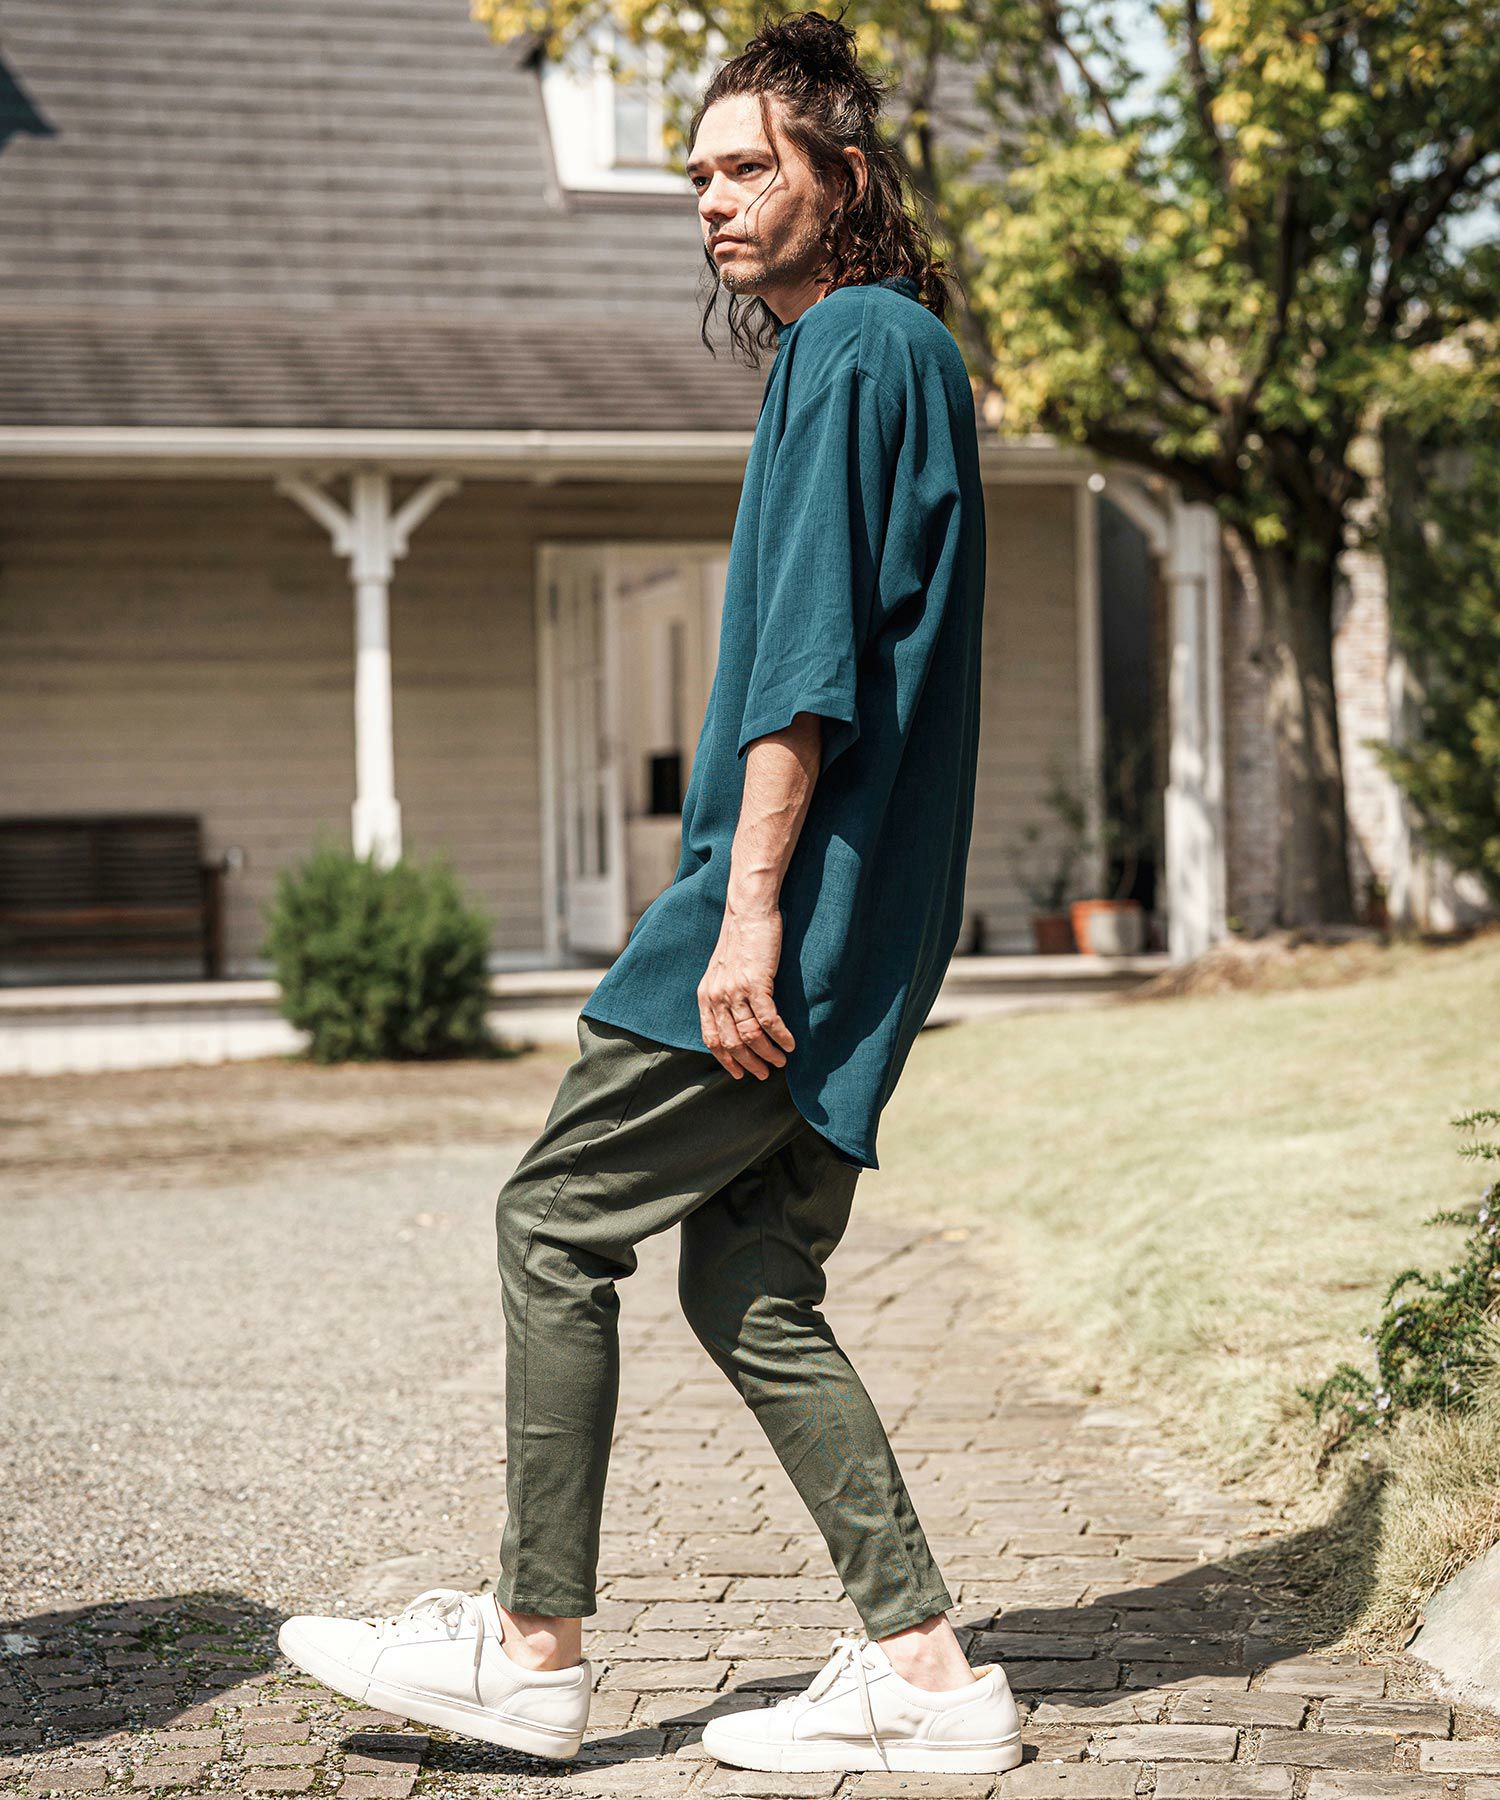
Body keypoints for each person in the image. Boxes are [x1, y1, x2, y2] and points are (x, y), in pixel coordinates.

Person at [278, 8, 1022, 1778]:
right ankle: (928, 1678)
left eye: (750, 167)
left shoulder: (849, 343)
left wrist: (748, 913)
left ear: (847, 177)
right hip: (866, 929)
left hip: (787, 915)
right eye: (696, 173)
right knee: (746, 1283)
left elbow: (807, 670)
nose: (711, 199)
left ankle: (531, 1650)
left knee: (553, 1222)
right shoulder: (905, 354)